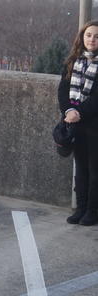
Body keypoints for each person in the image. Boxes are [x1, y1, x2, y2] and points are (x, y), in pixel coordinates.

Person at [59, 20, 98, 226]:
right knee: (80, 169)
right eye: (89, 35)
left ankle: (93, 211)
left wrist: (77, 112)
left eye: (97, 36)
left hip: (95, 126)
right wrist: (69, 110)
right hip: (77, 124)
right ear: (82, 37)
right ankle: (80, 208)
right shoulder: (73, 61)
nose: (92, 39)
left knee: (95, 172)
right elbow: (62, 90)